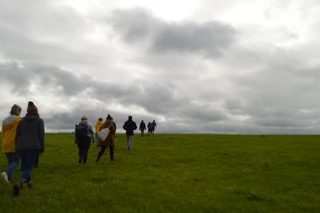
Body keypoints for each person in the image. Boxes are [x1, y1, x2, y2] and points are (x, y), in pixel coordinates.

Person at [14, 101, 44, 196]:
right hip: (33, 146)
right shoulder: (39, 121)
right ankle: (20, 183)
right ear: (36, 111)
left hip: (20, 146)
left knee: (25, 165)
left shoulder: (21, 121)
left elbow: (17, 135)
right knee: (29, 166)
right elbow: (41, 135)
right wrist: (42, 148)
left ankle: (29, 183)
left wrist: (16, 146)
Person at [1, 104, 22, 184]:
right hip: (14, 144)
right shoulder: (18, 120)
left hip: (5, 144)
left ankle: (8, 179)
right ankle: (6, 173)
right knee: (16, 162)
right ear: (18, 111)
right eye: (20, 111)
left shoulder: (4, 121)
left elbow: (3, 133)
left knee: (10, 162)